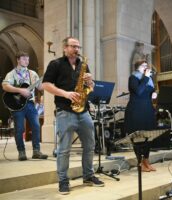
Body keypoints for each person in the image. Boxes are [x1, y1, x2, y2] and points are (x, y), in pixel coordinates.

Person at [42, 36, 104, 195]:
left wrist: (90, 82)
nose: (76, 49)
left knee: (90, 145)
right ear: (65, 48)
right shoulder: (55, 64)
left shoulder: (83, 65)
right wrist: (66, 94)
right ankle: (63, 181)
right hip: (65, 111)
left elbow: (91, 87)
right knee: (64, 150)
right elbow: (45, 85)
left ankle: (88, 176)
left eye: (78, 47)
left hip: (84, 111)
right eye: (73, 46)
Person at [2, 51, 48, 161]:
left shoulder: (32, 74)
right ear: (18, 60)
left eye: (27, 59)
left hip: (30, 103)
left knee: (36, 126)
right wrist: (20, 90)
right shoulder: (12, 74)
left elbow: (40, 87)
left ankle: (36, 151)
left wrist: (46, 82)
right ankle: (21, 152)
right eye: (24, 59)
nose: (27, 61)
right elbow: (5, 86)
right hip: (17, 104)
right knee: (19, 129)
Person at [124, 60, 157, 172]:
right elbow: (138, 91)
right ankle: (140, 162)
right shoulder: (133, 78)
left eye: (147, 66)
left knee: (148, 136)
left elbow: (148, 91)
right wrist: (146, 77)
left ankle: (146, 161)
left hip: (147, 110)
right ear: (138, 67)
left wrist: (154, 93)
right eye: (144, 66)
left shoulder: (148, 79)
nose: (146, 68)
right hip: (136, 111)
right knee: (138, 137)